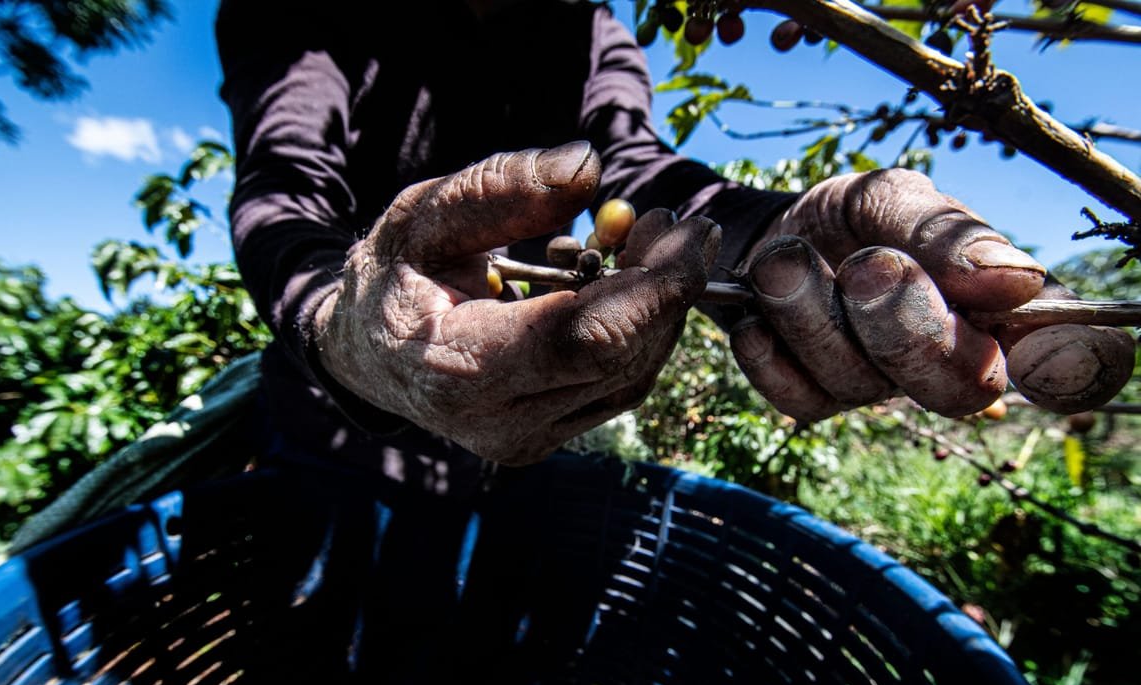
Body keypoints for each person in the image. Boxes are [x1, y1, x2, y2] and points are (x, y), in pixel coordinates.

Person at [214, 0, 1133, 479]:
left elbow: (639, 171)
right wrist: (344, 320)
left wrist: (779, 234)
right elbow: (283, 189)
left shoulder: (591, 31)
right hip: (331, 421)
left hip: (525, 417)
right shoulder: (303, 12)